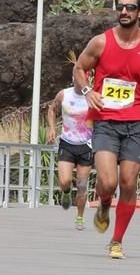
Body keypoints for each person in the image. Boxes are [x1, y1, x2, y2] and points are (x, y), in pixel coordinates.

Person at [73, 0, 140, 259]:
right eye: (120, 6)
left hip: (136, 122)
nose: (123, 11)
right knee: (108, 181)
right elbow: (79, 69)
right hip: (105, 121)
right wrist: (88, 91)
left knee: (128, 182)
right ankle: (104, 203)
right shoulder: (100, 42)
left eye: (130, 7)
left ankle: (116, 240)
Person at [46, 82, 93, 230]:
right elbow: (52, 110)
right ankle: (66, 192)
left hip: (86, 145)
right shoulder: (64, 94)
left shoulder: (93, 96)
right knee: (65, 181)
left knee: (82, 186)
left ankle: (79, 217)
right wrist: (52, 129)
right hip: (67, 143)